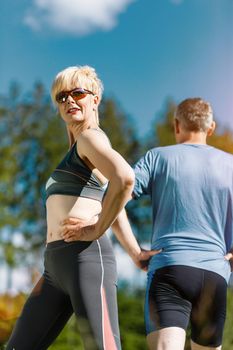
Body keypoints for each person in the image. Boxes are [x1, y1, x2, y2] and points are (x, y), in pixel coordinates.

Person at [63, 97, 233, 350]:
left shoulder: (157, 157)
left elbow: (118, 193)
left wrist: (134, 251)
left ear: (177, 125)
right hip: (215, 275)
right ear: (211, 128)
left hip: (169, 269)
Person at [6, 65, 155, 350]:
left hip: (86, 258)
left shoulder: (90, 137)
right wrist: (135, 252)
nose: (69, 101)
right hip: (54, 268)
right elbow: (112, 200)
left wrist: (97, 228)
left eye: (78, 93)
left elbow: (124, 178)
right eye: (61, 97)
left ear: (95, 98)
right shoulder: (78, 148)